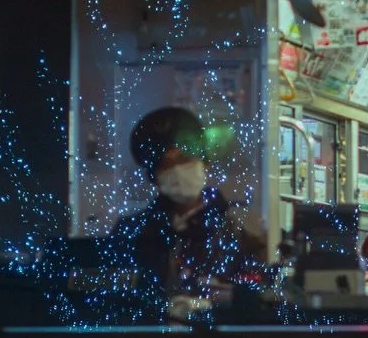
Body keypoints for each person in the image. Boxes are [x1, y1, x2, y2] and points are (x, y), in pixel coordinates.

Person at [109, 107, 264, 297]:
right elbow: (117, 295)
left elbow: (257, 297)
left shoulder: (239, 229)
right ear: (154, 177)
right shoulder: (133, 232)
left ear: (204, 162)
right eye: (166, 165)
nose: (178, 171)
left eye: (184, 159)